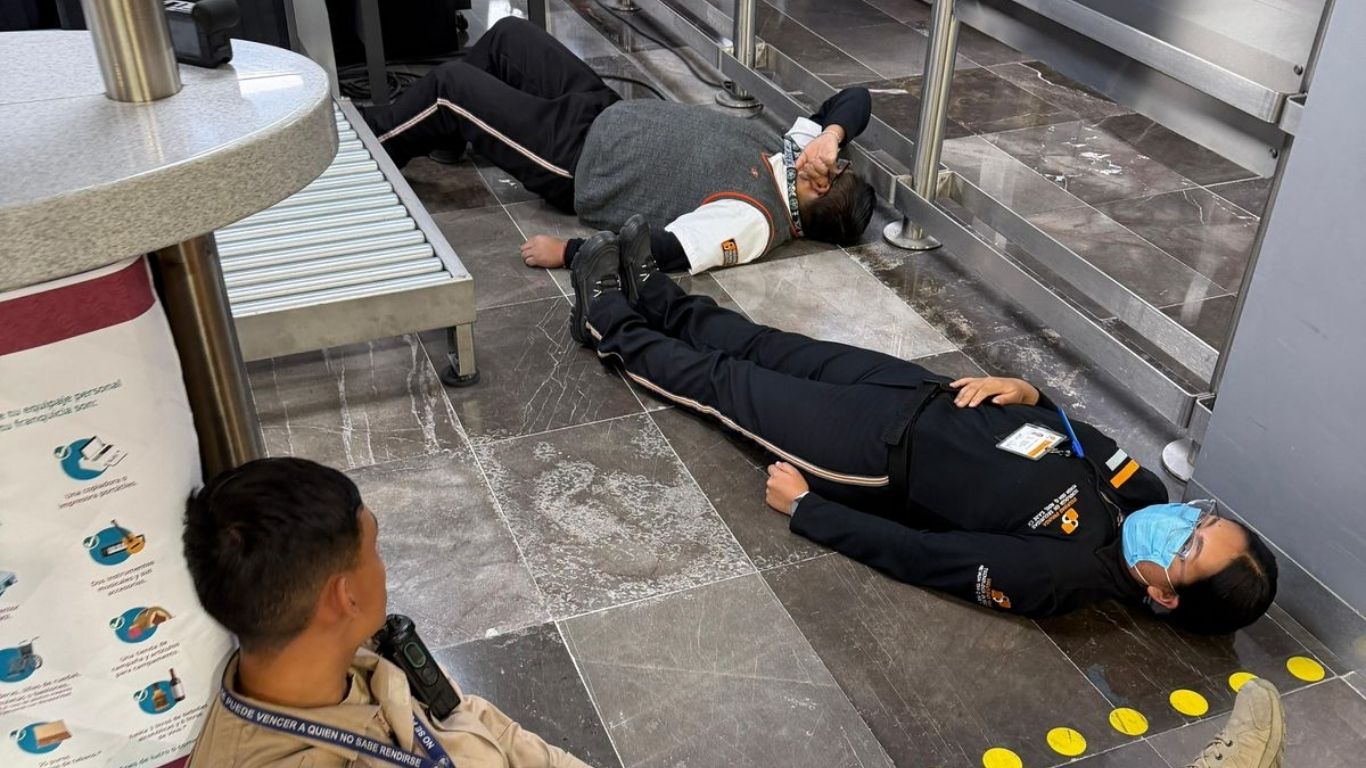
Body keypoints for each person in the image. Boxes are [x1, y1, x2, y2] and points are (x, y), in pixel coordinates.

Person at [565, 218, 1279, 633]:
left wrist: (813, 512)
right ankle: (652, 294)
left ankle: (606, 318)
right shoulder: (1143, 494)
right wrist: (1025, 389)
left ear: (1162, 596)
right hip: (918, 391)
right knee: (762, 343)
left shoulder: (1061, 576)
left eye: (1187, 550)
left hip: (868, 450)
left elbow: (924, 558)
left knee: (725, 387)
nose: (1178, 526)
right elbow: (1080, 435)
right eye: (1201, 521)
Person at [359, 17, 876, 276]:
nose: (832, 152)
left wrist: (568, 253)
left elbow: (663, 252)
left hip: (574, 158)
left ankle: (365, 146)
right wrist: (831, 135)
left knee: (451, 89)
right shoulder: (795, 160)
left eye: (838, 163)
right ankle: (442, 129)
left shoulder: (755, 221)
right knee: (510, 36)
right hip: (600, 108)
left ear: (822, 183)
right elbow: (855, 99)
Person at [181, 458, 592, 768]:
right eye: (374, 550)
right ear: (345, 597)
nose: (383, 567)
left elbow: (460, 715)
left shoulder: (357, 654)